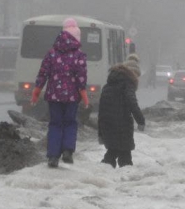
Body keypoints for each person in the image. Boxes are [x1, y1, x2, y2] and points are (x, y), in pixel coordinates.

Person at [31, 18, 89, 168]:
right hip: (72, 97)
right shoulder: (79, 55)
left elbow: (43, 73)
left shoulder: (51, 54)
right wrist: (84, 94)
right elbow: (81, 77)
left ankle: (53, 156)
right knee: (70, 123)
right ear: (76, 38)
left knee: (55, 124)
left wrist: (37, 91)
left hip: (54, 96)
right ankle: (68, 151)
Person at [98, 63, 146, 168]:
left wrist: (100, 133)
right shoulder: (127, 85)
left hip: (107, 124)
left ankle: (104, 171)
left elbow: (101, 111)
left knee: (113, 150)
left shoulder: (107, 87)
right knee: (124, 154)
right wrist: (140, 120)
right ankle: (125, 173)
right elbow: (132, 102)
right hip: (122, 124)